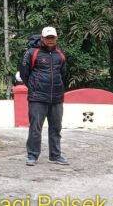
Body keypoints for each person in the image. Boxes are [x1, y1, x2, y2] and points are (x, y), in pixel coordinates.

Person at [20, 26, 69, 166]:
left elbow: (63, 74)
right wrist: (34, 88)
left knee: (56, 128)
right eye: (47, 38)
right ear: (42, 38)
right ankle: (32, 155)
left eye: (52, 37)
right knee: (35, 128)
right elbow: (24, 73)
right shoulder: (32, 53)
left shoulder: (60, 54)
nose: (50, 40)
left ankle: (55, 155)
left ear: (56, 38)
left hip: (57, 98)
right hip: (37, 98)